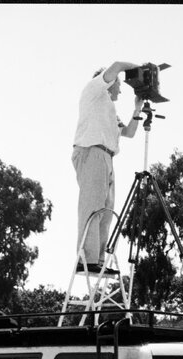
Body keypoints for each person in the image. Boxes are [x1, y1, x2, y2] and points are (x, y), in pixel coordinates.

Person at [73, 62, 144, 270]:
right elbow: (118, 64)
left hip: (107, 157)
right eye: (119, 85)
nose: (121, 90)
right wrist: (140, 69)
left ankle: (98, 260)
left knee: (105, 211)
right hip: (92, 151)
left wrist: (137, 109)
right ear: (109, 83)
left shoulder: (110, 110)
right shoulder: (94, 90)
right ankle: (86, 260)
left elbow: (129, 132)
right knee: (92, 207)